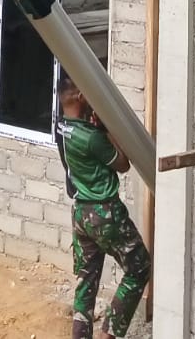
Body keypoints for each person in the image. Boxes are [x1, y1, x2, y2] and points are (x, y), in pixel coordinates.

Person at [56, 78, 151, 339]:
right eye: (85, 90)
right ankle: (109, 334)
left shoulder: (62, 127)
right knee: (140, 267)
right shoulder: (91, 139)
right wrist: (109, 129)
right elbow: (123, 164)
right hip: (105, 214)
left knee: (86, 280)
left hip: (81, 216)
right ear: (77, 96)